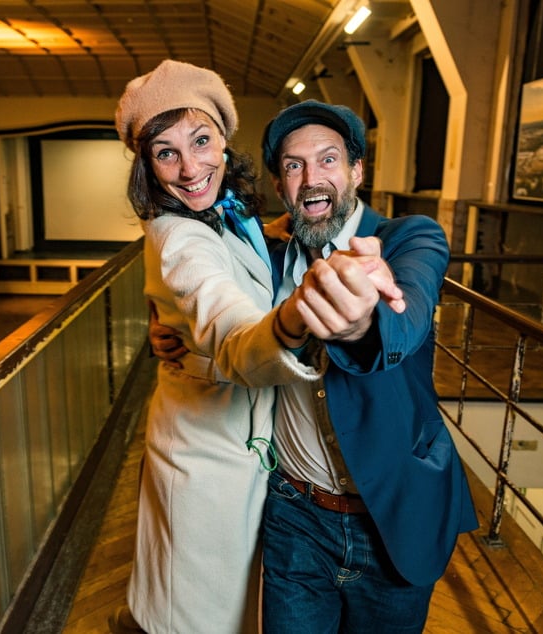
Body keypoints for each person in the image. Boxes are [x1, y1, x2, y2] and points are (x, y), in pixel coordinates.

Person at [152, 99, 478, 632]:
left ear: (357, 171)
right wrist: (166, 324)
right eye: (294, 165)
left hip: (391, 518)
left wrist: (357, 324)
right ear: (282, 185)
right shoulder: (265, 255)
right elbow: (204, 293)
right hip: (295, 516)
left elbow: (408, 313)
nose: (311, 178)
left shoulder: (408, 239)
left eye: (328, 160)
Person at [111, 60, 341, 634]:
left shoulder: (229, 217)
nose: (191, 169)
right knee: (193, 615)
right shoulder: (180, 234)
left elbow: (231, 269)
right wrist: (291, 320)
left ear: (223, 140)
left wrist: (164, 322)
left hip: (232, 445)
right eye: (166, 153)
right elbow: (223, 313)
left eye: (201, 141)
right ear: (147, 165)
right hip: (204, 458)